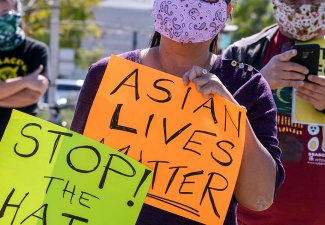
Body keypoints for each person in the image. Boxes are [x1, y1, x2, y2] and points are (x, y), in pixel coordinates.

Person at [71, 0, 284, 224]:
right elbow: (73, 177)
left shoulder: (248, 86)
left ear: (227, 10)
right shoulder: (107, 76)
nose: (189, 4)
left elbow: (259, 198)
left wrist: (232, 114)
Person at [223, 0, 325, 224]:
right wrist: (259, 84)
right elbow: (214, 128)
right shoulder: (242, 53)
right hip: (250, 217)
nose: (303, 6)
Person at [0, 0, 49, 139]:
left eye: (5, 14)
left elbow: (33, 95)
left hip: (23, 140)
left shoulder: (37, 50)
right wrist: (26, 81)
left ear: (17, 14)